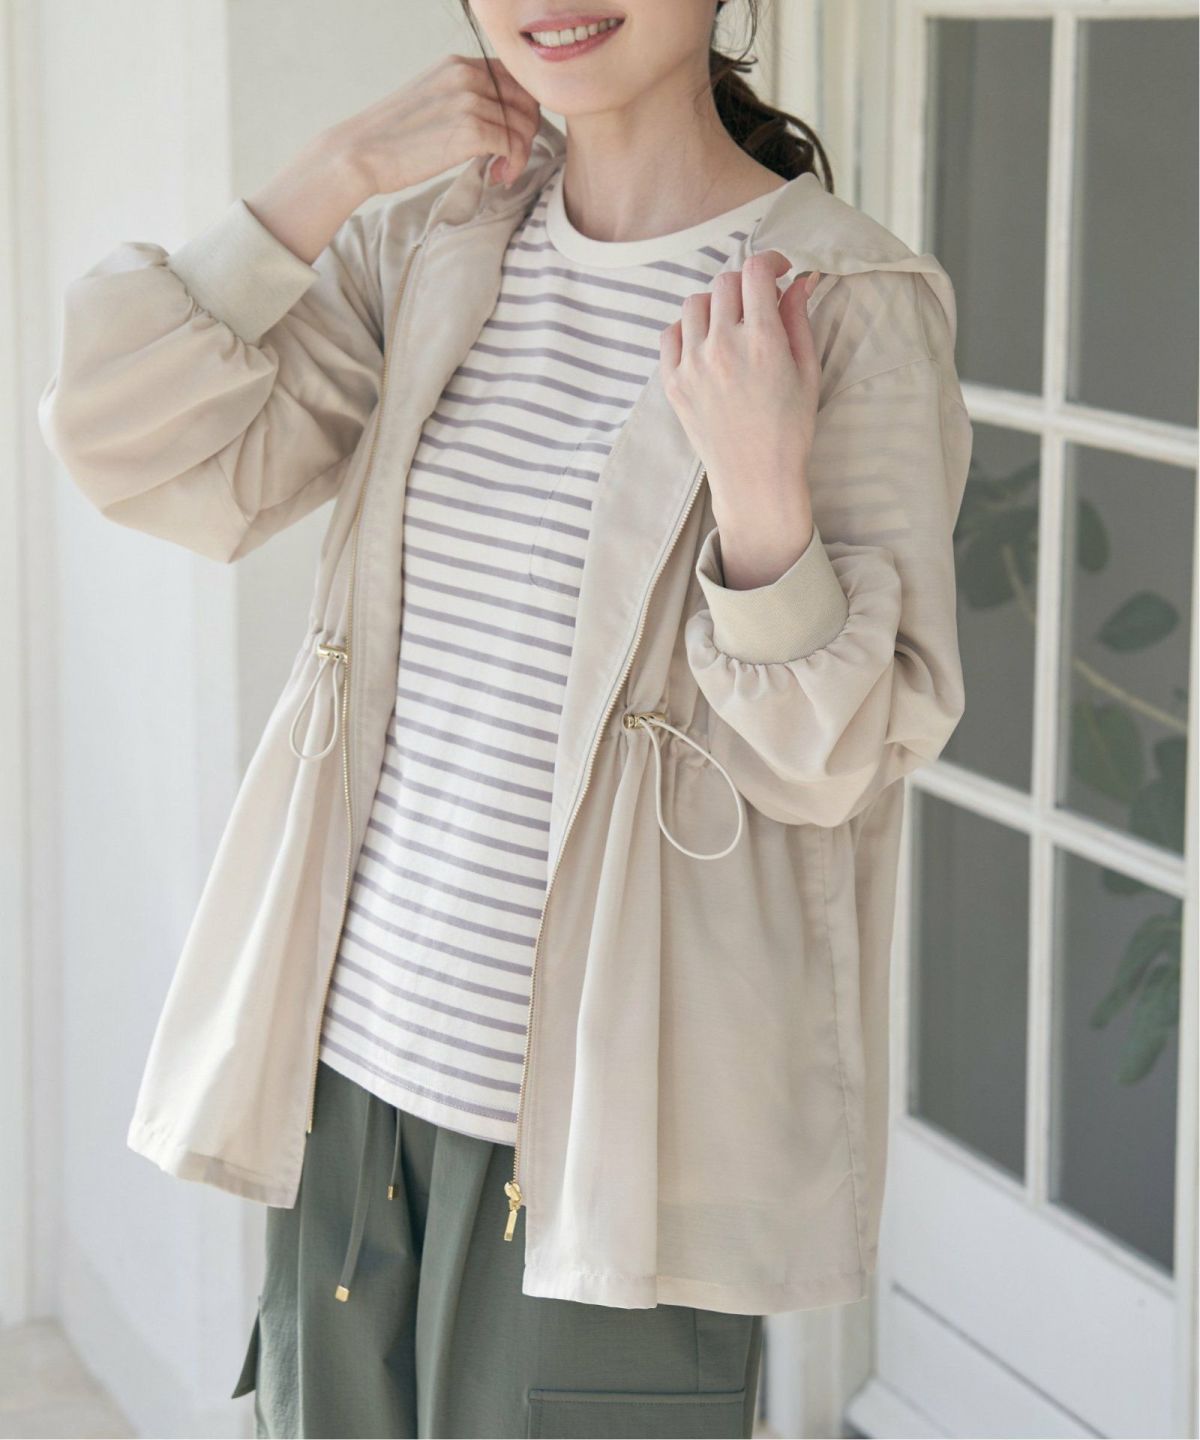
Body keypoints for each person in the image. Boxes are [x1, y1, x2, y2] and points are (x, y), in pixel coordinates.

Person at [38, 1, 972, 1435]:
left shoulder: (847, 302)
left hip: (614, 1138)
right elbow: (128, 440)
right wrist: (331, 174)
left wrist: (761, 500)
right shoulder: (433, 248)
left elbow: (843, 760)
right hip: (353, 1076)